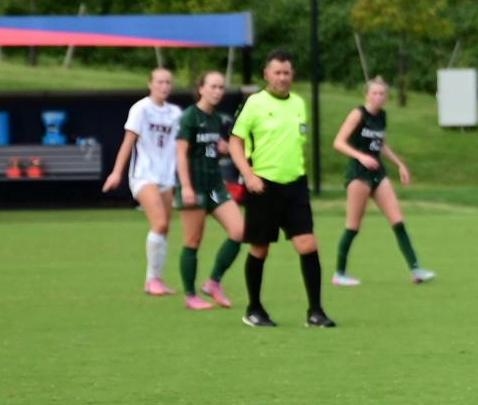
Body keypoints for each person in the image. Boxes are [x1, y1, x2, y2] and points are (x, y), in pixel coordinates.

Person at [229, 50, 333, 328]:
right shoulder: (254, 104)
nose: (282, 77)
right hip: (263, 185)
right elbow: (234, 143)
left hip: (295, 186)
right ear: (266, 75)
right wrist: (248, 175)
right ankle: (253, 309)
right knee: (260, 249)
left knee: (308, 244)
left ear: (292, 75)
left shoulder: (299, 103)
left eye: (286, 72)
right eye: (277, 72)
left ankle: (315, 311)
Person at [330, 77, 436, 287]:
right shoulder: (358, 114)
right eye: (374, 93)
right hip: (359, 174)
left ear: (386, 97)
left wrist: (399, 164)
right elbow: (338, 142)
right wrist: (360, 156)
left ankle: (416, 270)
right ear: (367, 95)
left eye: (382, 94)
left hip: (378, 173)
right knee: (353, 226)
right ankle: (339, 273)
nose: (378, 97)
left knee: (398, 221)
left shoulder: (383, 116)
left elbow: (380, 144)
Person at [101, 69, 183, 296]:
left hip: (166, 177)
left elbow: (181, 145)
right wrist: (116, 173)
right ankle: (152, 281)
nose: (164, 86)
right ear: (150, 84)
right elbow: (128, 142)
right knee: (160, 224)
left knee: (164, 228)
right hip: (143, 176)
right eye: (159, 82)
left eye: (167, 82)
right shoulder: (141, 109)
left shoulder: (175, 113)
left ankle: (155, 279)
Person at [174, 70, 247, 311]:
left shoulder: (218, 119)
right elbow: (181, 154)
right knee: (193, 240)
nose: (218, 91)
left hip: (215, 185)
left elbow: (212, 149)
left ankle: (213, 282)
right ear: (201, 89)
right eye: (213, 87)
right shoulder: (189, 117)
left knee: (239, 230)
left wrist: (223, 149)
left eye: (221, 87)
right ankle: (191, 295)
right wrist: (185, 186)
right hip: (194, 185)